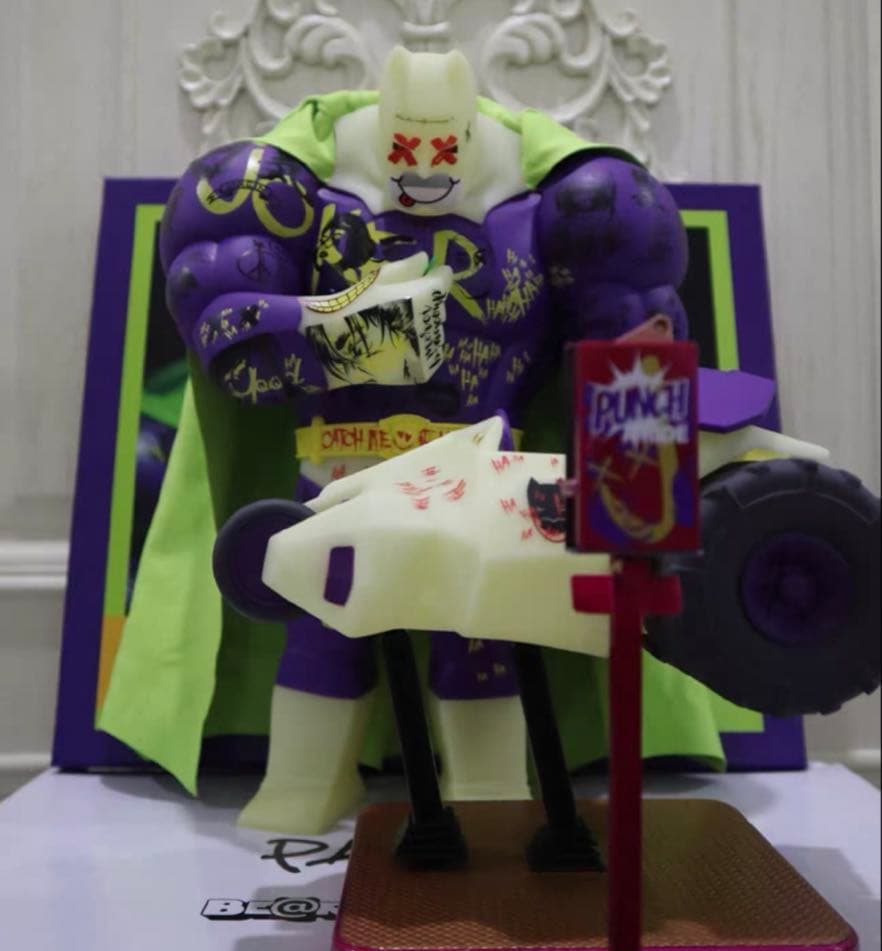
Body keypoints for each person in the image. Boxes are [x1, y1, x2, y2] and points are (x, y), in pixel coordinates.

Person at [101, 45, 689, 834]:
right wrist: (343, 334)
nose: (424, 175)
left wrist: (637, 509)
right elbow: (230, 341)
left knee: (482, 634)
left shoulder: (574, 203)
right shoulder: (279, 190)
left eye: (443, 151)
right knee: (323, 631)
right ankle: (307, 779)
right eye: (406, 151)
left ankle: (488, 790)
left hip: (485, 472)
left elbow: (635, 367)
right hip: (342, 464)